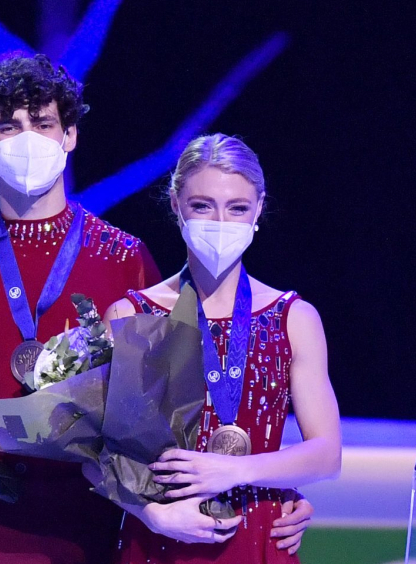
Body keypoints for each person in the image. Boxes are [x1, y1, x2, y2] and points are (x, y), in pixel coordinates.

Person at [0, 55, 314, 563]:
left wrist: (269, 493)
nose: (28, 139)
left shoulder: (125, 259)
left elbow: (185, 406)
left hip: (111, 527)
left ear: (70, 134)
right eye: (10, 127)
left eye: (43, 123)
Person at [104, 134, 341, 563]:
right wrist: (152, 513)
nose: (220, 221)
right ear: (176, 204)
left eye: (236, 208)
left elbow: (326, 454)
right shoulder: (130, 314)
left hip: (258, 539)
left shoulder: (294, 317)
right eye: (202, 205)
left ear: (258, 209)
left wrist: (235, 470)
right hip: (160, 537)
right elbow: (98, 452)